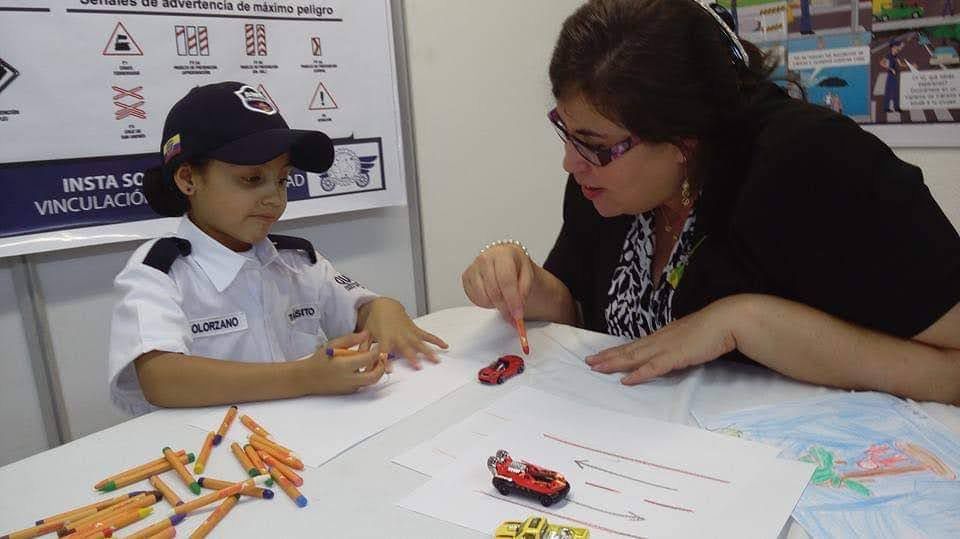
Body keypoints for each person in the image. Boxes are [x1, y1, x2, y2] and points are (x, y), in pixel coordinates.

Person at [461, 0, 960, 404]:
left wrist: (747, 322)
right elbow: (582, 312)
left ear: (683, 143)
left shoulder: (814, 168)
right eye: (565, 131)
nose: (570, 163)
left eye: (592, 144)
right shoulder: (602, 181)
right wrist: (527, 284)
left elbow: (952, 372)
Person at [109, 82, 446, 415]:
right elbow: (161, 378)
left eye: (283, 180)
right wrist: (303, 377)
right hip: (215, 445)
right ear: (188, 179)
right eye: (252, 179)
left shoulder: (298, 262)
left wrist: (384, 309)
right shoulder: (158, 272)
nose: (275, 198)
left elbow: (363, 310)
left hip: (307, 435)